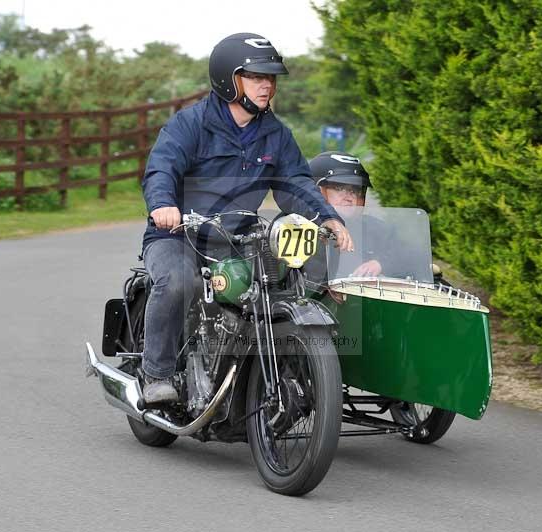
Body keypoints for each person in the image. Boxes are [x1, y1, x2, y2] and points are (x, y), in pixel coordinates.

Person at [139, 33, 353, 403]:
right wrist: (163, 205)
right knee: (178, 282)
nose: (267, 85)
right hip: (178, 234)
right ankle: (155, 374)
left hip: (239, 240)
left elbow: (295, 182)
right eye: (256, 77)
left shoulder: (276, 134)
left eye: (270, 78)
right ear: (229, 80)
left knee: (288, 282)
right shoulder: (190, 124)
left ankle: (276, 378)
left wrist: (326, 217)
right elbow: (161, 169)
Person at [305, 151, 414, 284]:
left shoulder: (377, 228)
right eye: (339, 188)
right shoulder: (296, 226)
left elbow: (411, 255)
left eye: (356, 190)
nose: (350, 197)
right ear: (316, 191)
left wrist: (381, 263)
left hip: (361, 302)